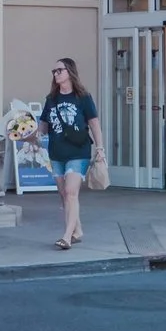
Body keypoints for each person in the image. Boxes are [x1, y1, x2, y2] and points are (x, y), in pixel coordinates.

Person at [38, 57, 102, 250]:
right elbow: (43, 126)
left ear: (69, 72)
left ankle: (67, 237)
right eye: (54, 72)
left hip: (78, 151)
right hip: (57, 153)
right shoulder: (51, 99)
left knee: (71, 192)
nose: (56, 74)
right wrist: (30, 135)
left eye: (59, 70)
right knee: (64, 194)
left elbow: (94, 124)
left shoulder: (83, 97)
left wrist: (100, 148)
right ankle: (77, 230)